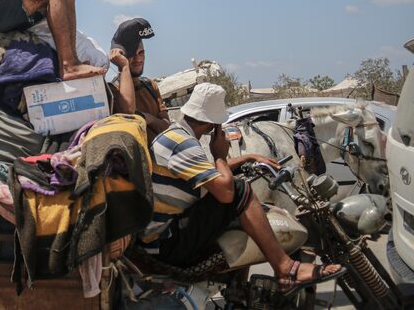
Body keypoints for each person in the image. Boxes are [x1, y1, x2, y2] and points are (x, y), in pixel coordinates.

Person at [139, 83, 345, 294]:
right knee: (239, 189)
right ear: (213, 125)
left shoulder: (177, 135)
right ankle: (286, 269)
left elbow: (207, 172)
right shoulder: (184, 143)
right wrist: (219, 153)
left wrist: (247, 157)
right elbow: (226, 193)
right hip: (165, 241)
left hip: (159, 235)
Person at [108, 18, 170, 140]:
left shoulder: (150, 86)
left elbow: (166, 126)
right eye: (131, 55)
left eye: (141, 53)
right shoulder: (112, 91)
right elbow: (128, 112)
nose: (138, 59)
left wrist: (149, 119)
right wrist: (124, 66)